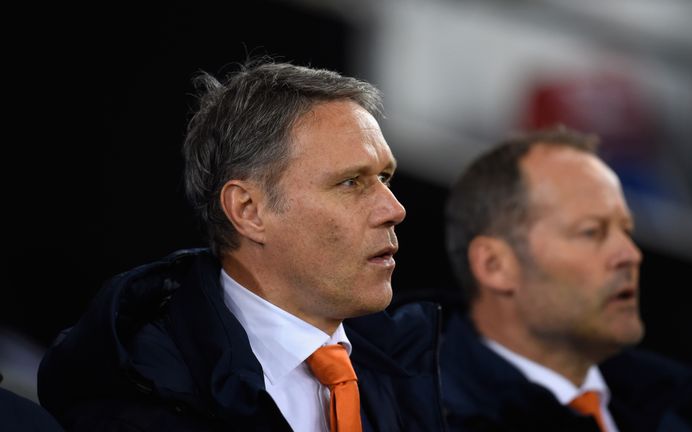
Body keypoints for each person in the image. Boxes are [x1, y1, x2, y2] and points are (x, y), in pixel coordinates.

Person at [37, 61, 445, 432]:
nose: (394, 209)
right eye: (350, 182)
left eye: (385, 178)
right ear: (249, 210)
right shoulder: (141, 394)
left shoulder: (419, 370)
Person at [440, 127, 692, 431]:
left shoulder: (677, 409)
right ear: (494, 265)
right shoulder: (422, 417)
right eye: (592, 232)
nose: (631, 254)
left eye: (627, 230)